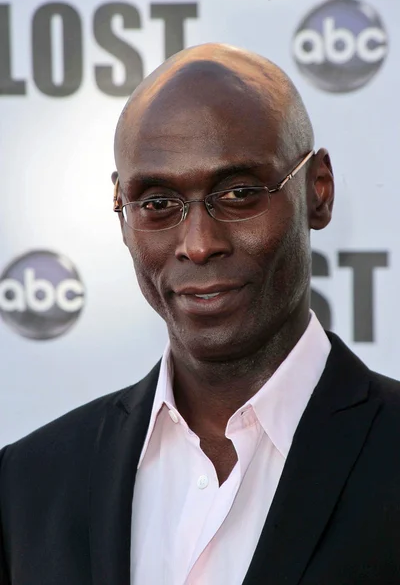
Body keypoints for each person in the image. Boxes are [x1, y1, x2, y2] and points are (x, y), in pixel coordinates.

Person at [0, 43, 399, 585]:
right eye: (158, 203)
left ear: (318, 191)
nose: (198, 243)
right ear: (122, 215)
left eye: (237, 193)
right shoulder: (27, 485)